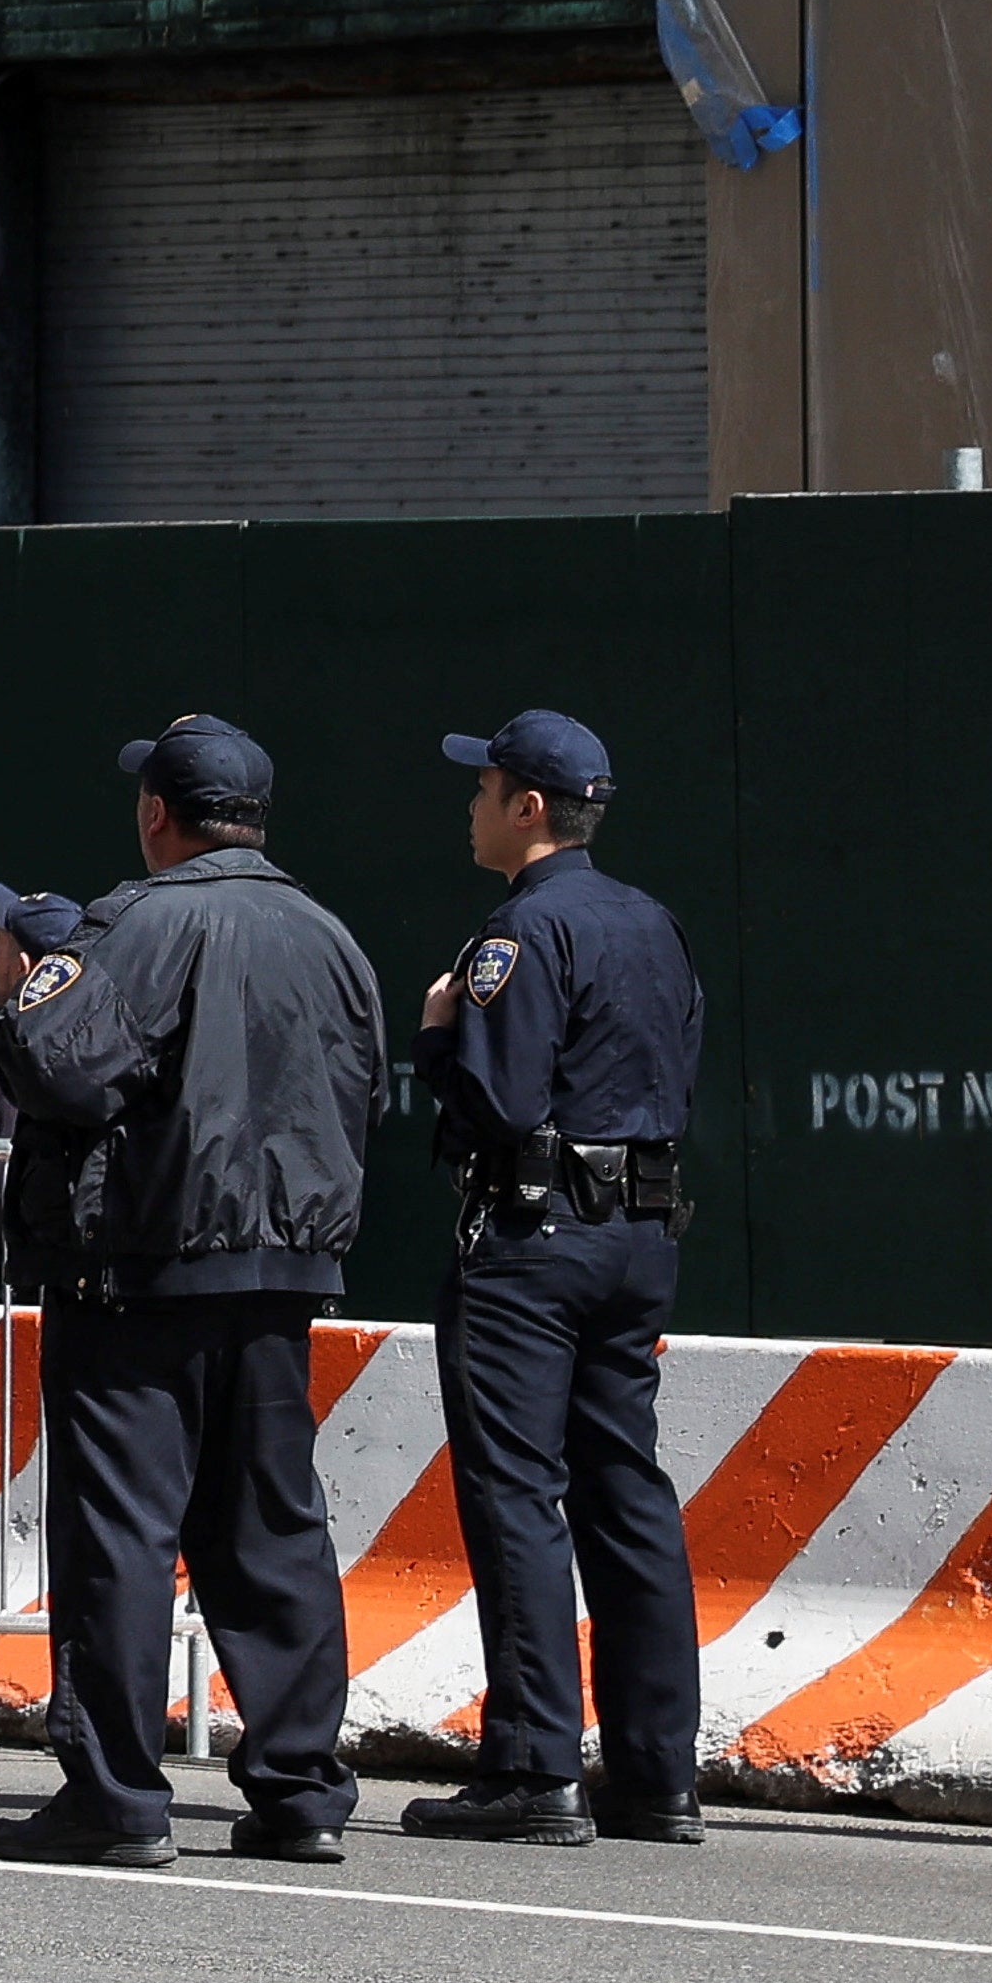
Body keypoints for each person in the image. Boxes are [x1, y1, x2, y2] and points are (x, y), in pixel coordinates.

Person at [0, 714, 388, 1871]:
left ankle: (115, 1795)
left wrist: (17, 1021)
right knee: (272, 1528)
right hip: (279, 1274)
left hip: (139, 1270)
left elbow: (57, 1064)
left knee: (119, 1533)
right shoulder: (328, 934)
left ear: (157, 811)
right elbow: (366, 1097)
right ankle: (300, 1786)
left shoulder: (134, 923)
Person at [404, 711, 705, 1851]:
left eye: (481, 789)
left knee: (516, 1491)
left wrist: (438, 1033)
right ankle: (655, 1772)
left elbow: (498, 1098)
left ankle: (534, 1764)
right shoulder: (654, 923)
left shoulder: (519, 932)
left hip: (532, 1245)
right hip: (638, 1232)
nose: (468, 807)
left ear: (527, 806)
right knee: (624, 1487)